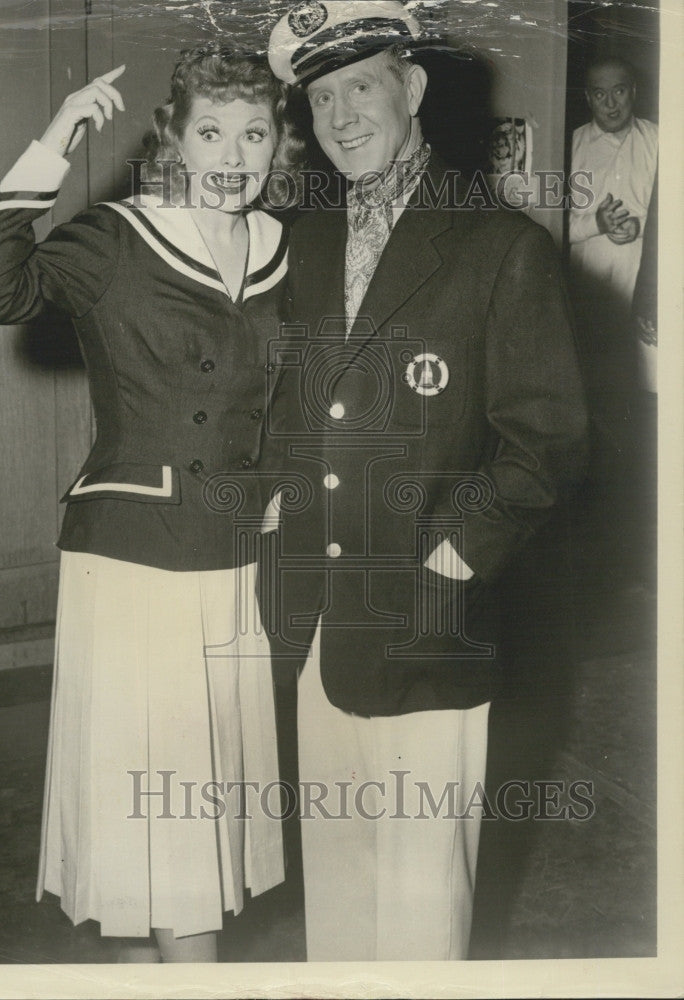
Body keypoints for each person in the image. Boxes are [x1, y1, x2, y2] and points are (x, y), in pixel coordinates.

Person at [0, 46, 303, 963]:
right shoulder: (116, 236)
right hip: (135, 560)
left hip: (230, 565)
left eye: (255, 132)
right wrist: (55, 140)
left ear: (278, 143)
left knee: (177, 833)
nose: (234, 154)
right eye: (212, 131)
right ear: (175, 139)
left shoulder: (279, 246)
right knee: (161, 842)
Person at [264, 1, 589, 961]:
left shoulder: (502, 246)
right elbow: (292, 403)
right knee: (339, 882)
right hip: (320, 608)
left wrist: (453, 559)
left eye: (360, 85)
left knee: (418, 901)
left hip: (429, 616)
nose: (340, 114)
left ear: (411, 89)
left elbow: (550, 440)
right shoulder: (306, 240)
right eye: (320, 97)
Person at [569, 56, 658, 395]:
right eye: (600, 93)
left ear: (633, 91)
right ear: (588, 97)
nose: (610, 103)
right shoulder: (570, 145)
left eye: (619, 91)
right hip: (585, 299)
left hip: (641, 296)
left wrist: (641, 227)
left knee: (640, 397)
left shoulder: (660, 141)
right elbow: (553, 226)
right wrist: (596, 223)